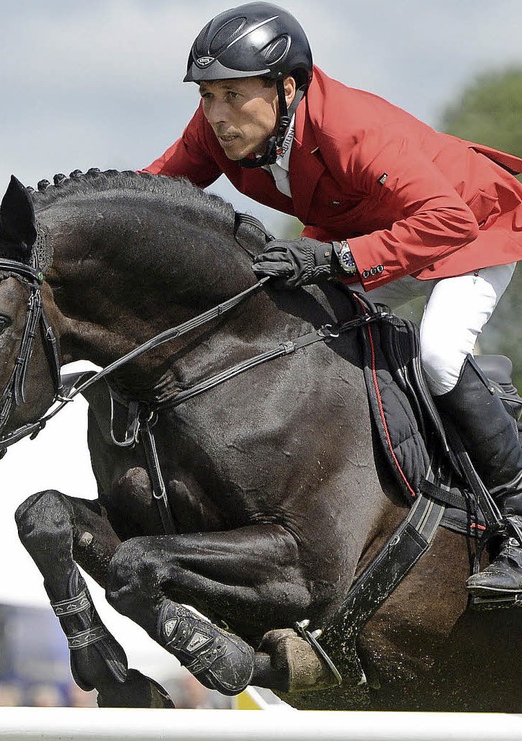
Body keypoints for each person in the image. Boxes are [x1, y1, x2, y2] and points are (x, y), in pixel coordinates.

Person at [143, 2, 522, 596]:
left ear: (286, 87)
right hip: (374, 233)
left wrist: (339, 259)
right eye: (206, 96)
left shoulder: (350, 130)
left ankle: (518, 514)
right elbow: (148, 196)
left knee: (440, 353)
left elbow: (446, 220)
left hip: (470, 224)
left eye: (231, 95)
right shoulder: (222, 128)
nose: (215, 115)